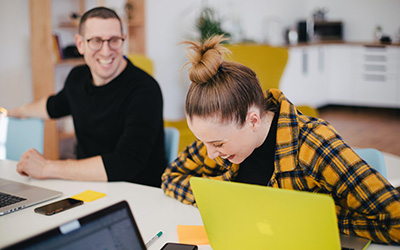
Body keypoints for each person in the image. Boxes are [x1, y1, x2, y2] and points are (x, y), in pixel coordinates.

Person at [161, 35, 400, 244]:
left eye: (218, 144)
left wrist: (320, 218)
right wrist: (221, 202)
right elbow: (171, 178)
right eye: (204, 142)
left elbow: (395, 220)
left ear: (253, 120)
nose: (210, 153)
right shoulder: (219, 139)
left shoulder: (314, 145)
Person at [7, 7, 166, 187]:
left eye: (114, 40)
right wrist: (14, 111)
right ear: (80, 44)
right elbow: (53, 105)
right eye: (96, 41)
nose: (106, 51)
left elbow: (125, 163)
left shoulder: (145, 89)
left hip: (138, 193)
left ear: (123, 41)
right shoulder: (77, 77)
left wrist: (47, 167)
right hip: (88, 186)